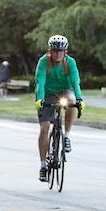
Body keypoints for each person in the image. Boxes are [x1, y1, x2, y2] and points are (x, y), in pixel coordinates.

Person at [34, 35, 84, 181]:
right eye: (54, 51)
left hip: (65, 90)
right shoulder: (43, 62)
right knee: (44, 128)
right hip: (47, 93)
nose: (57, 54)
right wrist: (40, 99)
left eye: (60, 51)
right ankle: (43, 165)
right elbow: (40, 82)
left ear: (65, 52)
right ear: (50, 51)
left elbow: (75, 81)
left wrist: (79, 99)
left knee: (71, 102)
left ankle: (67, 135)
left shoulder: (70, 63)